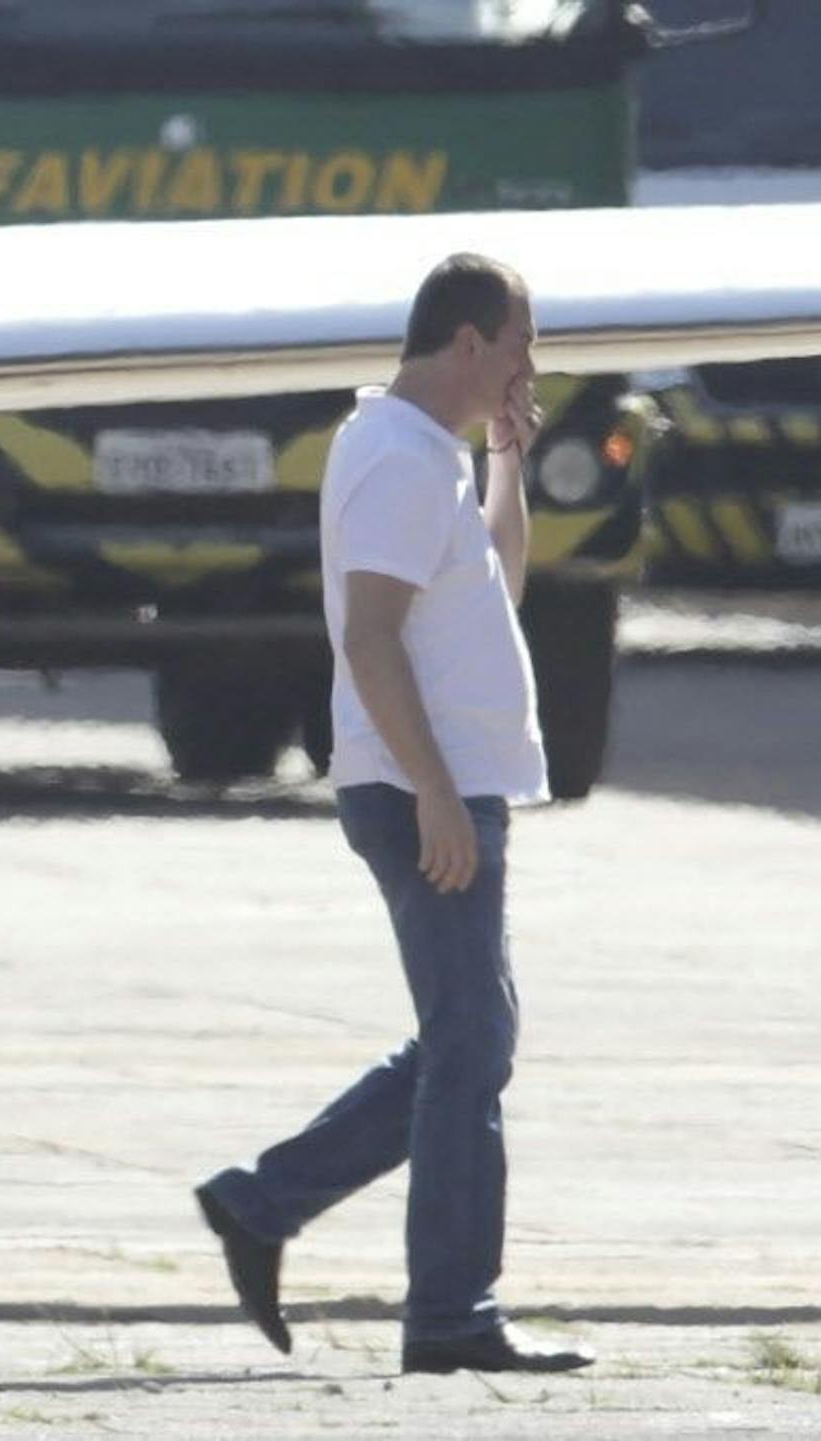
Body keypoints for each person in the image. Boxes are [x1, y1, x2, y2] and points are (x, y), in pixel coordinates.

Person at [193, 253, 594, 1376]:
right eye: (520, 343)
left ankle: (263, 1202)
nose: (531, 365)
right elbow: (368, 636)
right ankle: (451, 1315)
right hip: (422, 786)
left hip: (450, 781)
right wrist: (431, 792)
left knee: (472, 1040)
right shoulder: (394, 456)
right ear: (466, 343)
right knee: (471, 1050)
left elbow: (496, 588)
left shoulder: (435, 456)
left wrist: (510, 459)